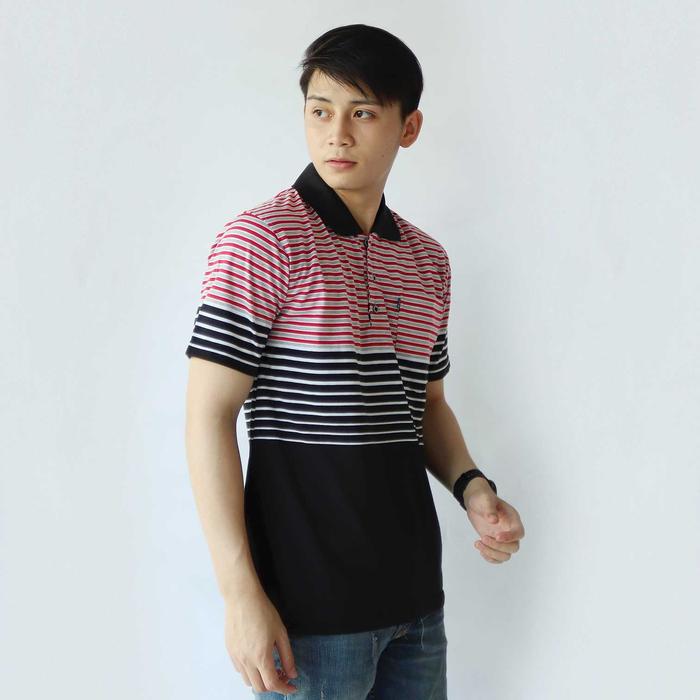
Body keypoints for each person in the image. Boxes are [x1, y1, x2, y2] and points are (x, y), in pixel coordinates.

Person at [184, 23, 525, 700]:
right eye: (320, 111)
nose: (336, 134)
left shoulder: (427, 260)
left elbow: (426, 404)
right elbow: (207, 417)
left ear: (408, 126)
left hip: (415, 608)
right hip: (306, 615)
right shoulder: (261, 240)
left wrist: (472, 488)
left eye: (362, 113)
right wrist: (240, 595)